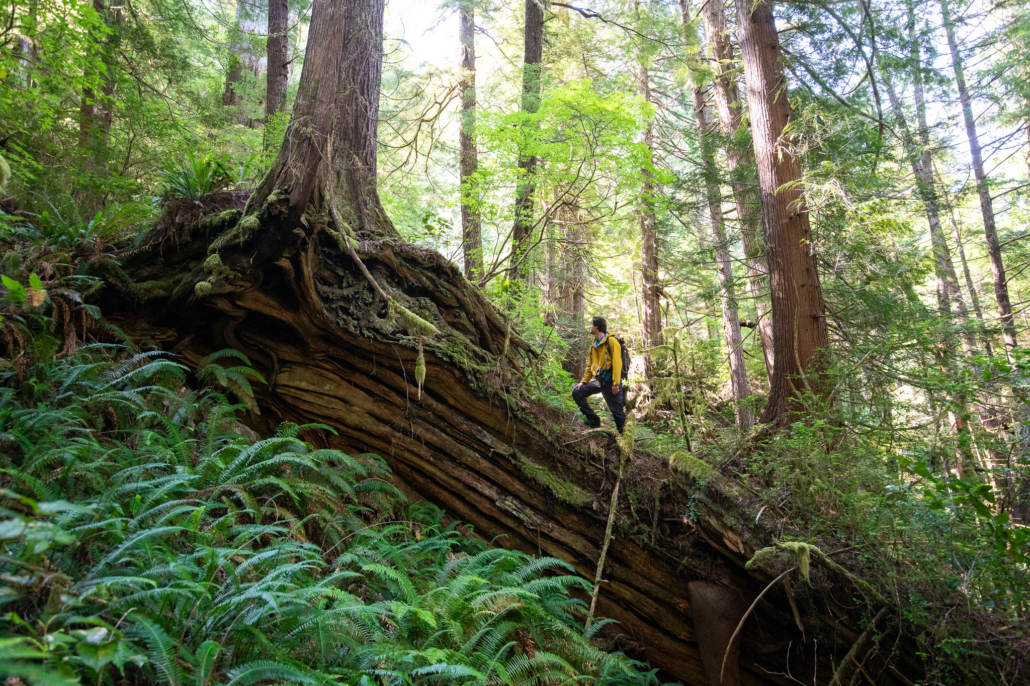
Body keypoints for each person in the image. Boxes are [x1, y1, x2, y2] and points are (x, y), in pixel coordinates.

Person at [572, 316, 626, 433]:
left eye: (591, 324)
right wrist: (583, 382)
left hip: (611, 381)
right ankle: (594, 420)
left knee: (616, 411)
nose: (589, 327)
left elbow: (617, 362)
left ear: (596, 326)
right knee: (577, 392)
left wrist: (616, 383)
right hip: (599, 381)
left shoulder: (611, 341)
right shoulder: (593, 345)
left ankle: (624, 438)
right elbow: (589, 366)